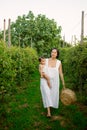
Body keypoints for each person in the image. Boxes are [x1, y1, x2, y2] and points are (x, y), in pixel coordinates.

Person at [39, 48, 65, 117]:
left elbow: (61, 73)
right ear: (50, 53)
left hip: (55, 81)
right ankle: (49, 112)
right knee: (47, 93)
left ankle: (50, 104)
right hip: (45, 80)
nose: (53, 53)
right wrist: (46, 79)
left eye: (55, 52)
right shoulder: (46, 61)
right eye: (52, 52)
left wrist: (63, 83)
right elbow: (41, 69)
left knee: (53, 94)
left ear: (57, 54)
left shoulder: (59, 62)